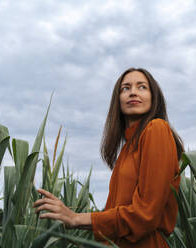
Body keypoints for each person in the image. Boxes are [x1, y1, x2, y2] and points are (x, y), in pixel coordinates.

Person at [33, 68, 184, 247]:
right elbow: (116, 224)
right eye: (125, 88)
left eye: (142, 87)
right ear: (117, 100)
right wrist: (68, 214)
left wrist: (76, 218)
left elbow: (146, 215)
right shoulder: (126, 151)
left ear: (154, 98)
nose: (133, 92)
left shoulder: (156, 129)